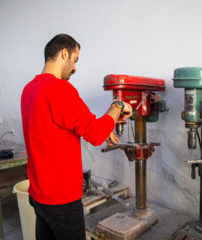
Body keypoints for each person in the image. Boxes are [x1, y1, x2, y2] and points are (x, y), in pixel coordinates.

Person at [20, 34, 132, 240]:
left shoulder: (29, 90)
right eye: (75, 60)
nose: (75, 68)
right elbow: (96, 135)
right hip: (62, 201)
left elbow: (56, 127)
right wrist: (117, 106)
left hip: (38, 196)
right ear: (64, 53)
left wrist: (104, 126)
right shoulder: (60, 89)